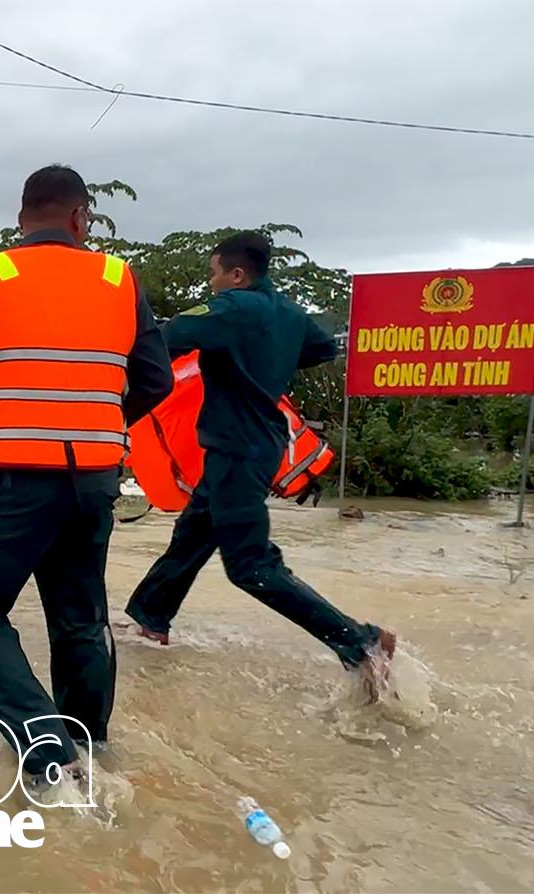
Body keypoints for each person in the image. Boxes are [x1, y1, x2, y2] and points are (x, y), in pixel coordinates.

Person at [0, 165, 173, 785]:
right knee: (81, 616)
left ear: (21, 214)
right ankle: (92, 748)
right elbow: (157, 378)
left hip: (11, 479)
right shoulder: (119, 277)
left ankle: (46, 751)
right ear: (82, 217)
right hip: (93, 481)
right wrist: (104, 424)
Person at [123, 231, 397, 697]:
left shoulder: (233, 309)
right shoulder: (290, 313)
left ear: (237, 273)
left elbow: (166, 335)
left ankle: (360, 640)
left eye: (213, 274)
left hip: (236, 448)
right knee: (191, 538)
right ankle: (151, 620)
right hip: (259, 443)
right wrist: (261, 359)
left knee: (250, 566)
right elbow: (322, 347)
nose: (210, 284)